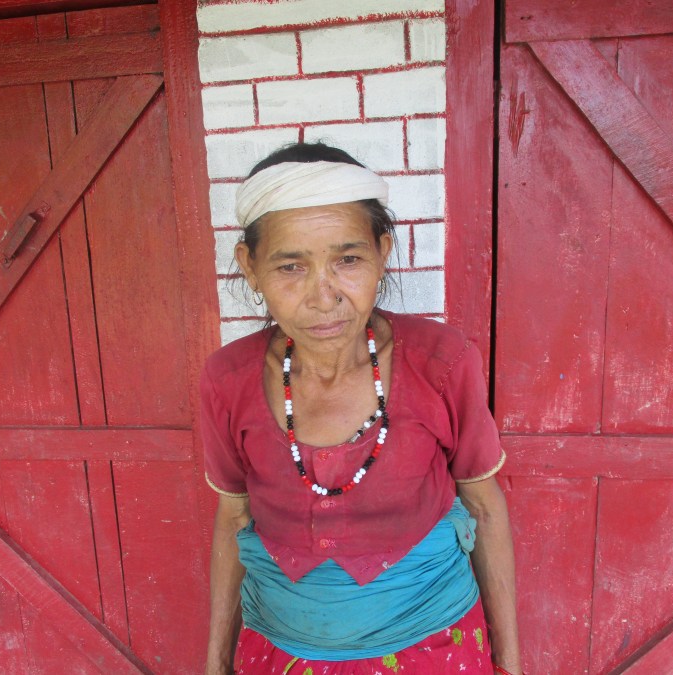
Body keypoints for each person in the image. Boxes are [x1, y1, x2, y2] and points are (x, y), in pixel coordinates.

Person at [202, 142, 522, 674]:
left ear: (383, 252)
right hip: (280, 650)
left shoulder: (443, 365)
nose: (323, 296)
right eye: (290, 266)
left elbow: (485, 510)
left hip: (434, 649)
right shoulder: (226, 381)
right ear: (250, 268)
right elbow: (233, 516)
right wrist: (214, 664)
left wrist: (509, 666)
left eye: (347, 259)